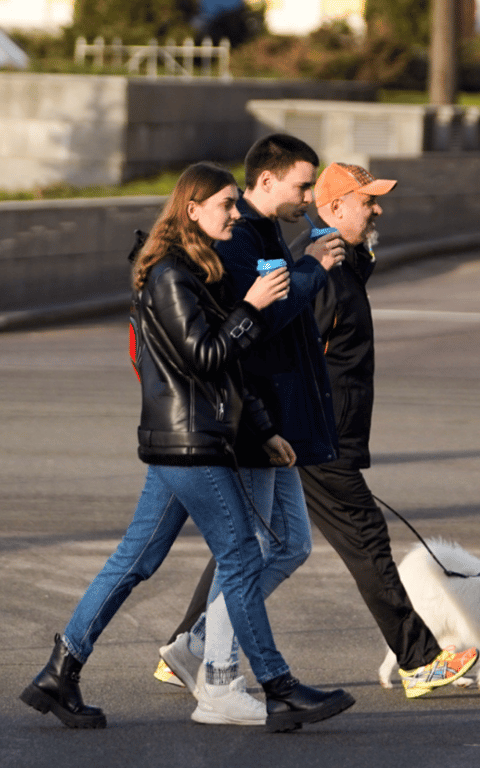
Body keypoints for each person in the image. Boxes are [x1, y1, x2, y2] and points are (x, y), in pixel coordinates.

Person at [20, 162, 353, 733]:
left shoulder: (197, 269)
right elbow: (205, 357)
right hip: (188, 442)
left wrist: (264, 428)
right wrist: (250, 307)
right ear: (192, 210)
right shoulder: (171, 274)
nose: (233, 212)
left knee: (136, 560)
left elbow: (227, 369)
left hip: (185, 439)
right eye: (225, 204)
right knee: (243, 558)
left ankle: (61, 671)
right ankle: (276, 687)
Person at [157, 159, 478, 701]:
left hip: (317, 434)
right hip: (314, 436)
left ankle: (185, 646)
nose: (377, 209)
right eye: (367, 201)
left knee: (252, 541)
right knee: (364, 539)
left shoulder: (342, 262)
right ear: (332, 208)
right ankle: (419, 661)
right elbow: (286, 346)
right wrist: (291, 428)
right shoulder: (318, 271)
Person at [154, 135, 345, 726]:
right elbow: (251, 331)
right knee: (251, 550)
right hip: (252, 422)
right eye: (302, 186)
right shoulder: (239, 241)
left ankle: (199, 645)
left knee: (288, 545)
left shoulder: (262, 237)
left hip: (274, 422)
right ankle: (217, 673)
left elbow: (279, 324)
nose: (308, 197)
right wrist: (310, 271)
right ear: (266, 182)